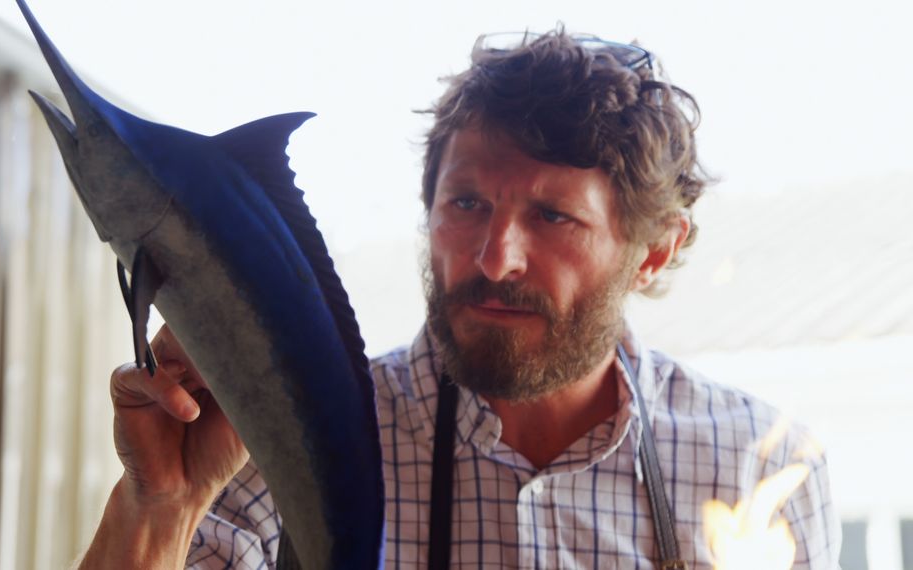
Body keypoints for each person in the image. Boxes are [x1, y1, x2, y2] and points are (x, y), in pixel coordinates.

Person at [78, 29, 841, 569]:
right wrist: (164, 504)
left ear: (655, 250)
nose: (494, 258)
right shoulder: (293, 441)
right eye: (467, 205)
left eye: (553, 217)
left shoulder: (752, 464)